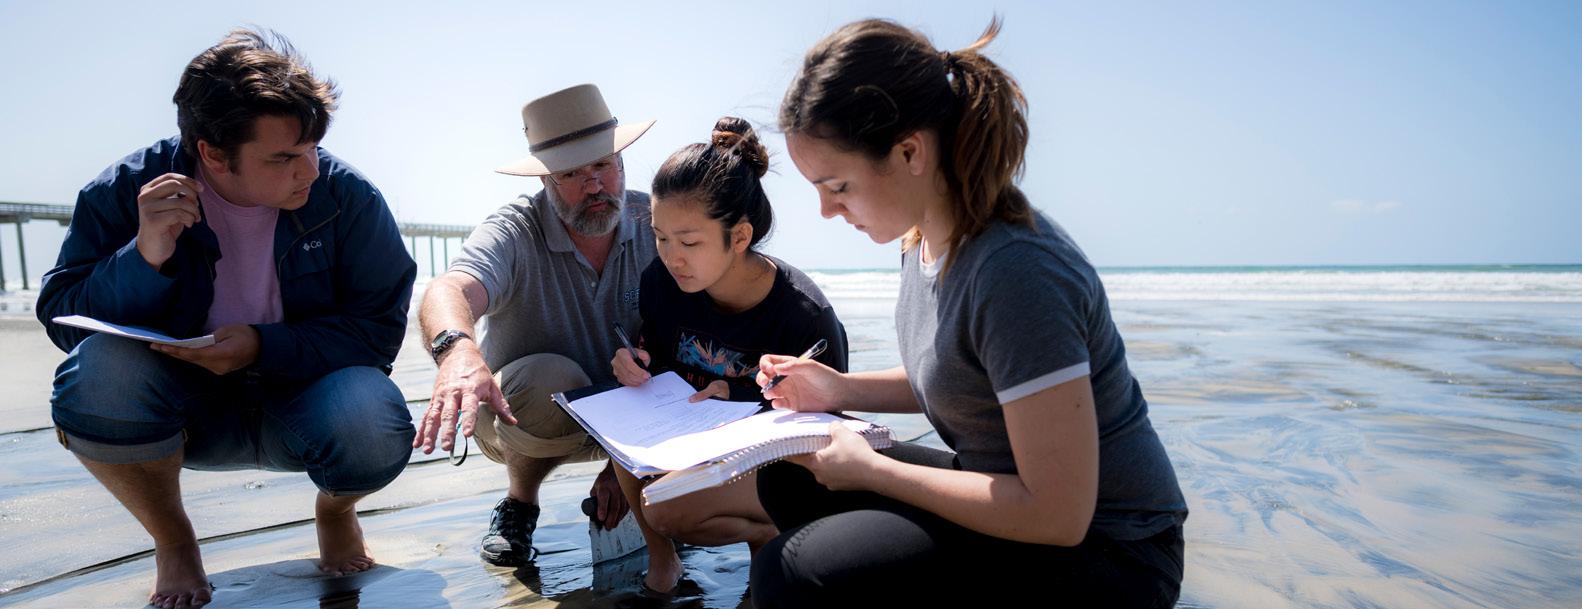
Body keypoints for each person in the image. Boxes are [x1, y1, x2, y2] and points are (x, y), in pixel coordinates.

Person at [749, 18, 1189, 608]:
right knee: (790, 471)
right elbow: (963, 374)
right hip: (1014, 499)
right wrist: (838, 388)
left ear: (909, 152)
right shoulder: (924, 238)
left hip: (1112, 551)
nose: (826, 211)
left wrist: (873, 471)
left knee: (794, 574)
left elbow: (1058, 515)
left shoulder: (1016, 271)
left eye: (838, 186)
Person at [37, 28, 417, 609]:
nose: (310, 171)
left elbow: (377, 330)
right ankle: (174, 541)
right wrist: (143, 257)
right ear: (213, 154)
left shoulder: (348, 197)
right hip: (180, 408)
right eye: (283, 157)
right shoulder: (125, 190)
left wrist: (262, 346)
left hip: (305, 397)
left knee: (372, 418)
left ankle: (336, 510)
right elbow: (64, 319)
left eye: (313, 147)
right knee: (95, 378)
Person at [413, 84, 657, 566]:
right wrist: (457, 351)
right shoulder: (514, 230)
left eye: (602, 165)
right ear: (545, 179)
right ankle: (520, 503)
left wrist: (625, 468)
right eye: (571, 173)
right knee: (551, 377)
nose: (594, 186)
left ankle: (650, 488)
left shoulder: (657, 221)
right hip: (527, 416)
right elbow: (448, 289)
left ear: (622, 161)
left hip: (637, 410)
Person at [607, 117, 849, 594]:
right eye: (660, 237)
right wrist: (634, 363)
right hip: (693, 437)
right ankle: (663, 566)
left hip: (783, 463)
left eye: (689, 242)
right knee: (620, 423)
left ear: (739, 237)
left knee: (668, 508)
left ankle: (771, 540)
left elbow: (827, 427)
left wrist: (739, 395)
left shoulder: (804, 314)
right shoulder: (662, 283)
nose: (671, 257)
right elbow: (659, 359)